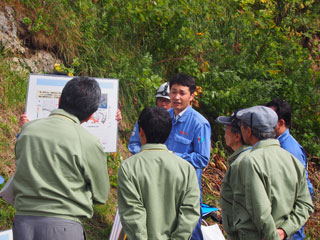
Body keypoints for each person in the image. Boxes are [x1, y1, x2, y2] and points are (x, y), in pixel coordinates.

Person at [13, 77, 110, 240]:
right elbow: (101, 195)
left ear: (59, 100)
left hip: (23, 223)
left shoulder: (28, 130)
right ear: (90, 115)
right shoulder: (88, 141)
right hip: (63, 228)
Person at [117, 106, 200, 239]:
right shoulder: (186, 168)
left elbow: (132, 214)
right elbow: (190, 212)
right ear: (168, 132)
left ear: (141, 131)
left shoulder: (129, 167)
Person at [233, 106, 314, 240]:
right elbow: (305, 203)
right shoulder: (292, 159)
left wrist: (273, 235)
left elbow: (261, 211)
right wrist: (284, 230)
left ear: (248, 131)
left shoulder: (250, 161)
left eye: (242, 126)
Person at [165, 73, 211, 240]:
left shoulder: (199, 123)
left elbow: (202, 158)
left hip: (187, 190)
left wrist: (173, 156)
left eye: (182, 93)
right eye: (173, 91)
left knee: (191, 232)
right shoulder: (164, 117)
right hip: (165, 186)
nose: (176, 97)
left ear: (191, 96)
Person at [266, 98, 313, 240]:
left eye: (269, 119)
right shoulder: (273, 143)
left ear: (281, 123)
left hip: (289, 221)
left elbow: (298, 192)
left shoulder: (290, 150)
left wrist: (289, 227)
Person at [216, 112, 251, 239]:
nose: (224, 133)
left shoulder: (241, 163)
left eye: (227, 129)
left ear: (237, 136)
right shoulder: (243, 158)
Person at [128, 82, 171, 154]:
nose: (163, 104)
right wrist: (147, 154)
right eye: (160, 100)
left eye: (167, 101)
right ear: (156, 101)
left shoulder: (176, 122)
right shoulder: (146, 118)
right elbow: (133, 144)